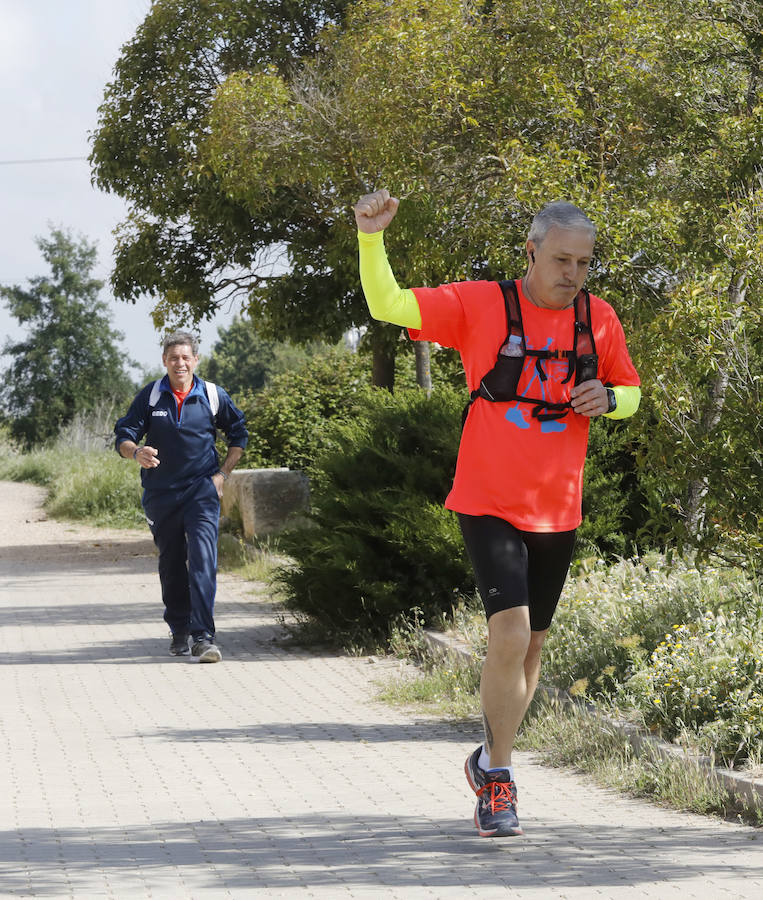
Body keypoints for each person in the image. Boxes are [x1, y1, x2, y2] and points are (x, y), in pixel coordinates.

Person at [354, 190, 641, 837]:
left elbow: (631, 391)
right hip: (487, 500)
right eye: (561, 260)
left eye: (584, 263)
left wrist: (609, 400)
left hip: (556, 508)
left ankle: (486, 760)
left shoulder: (599, 319)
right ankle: (501, 783)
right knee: (508, 636)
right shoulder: (481, 305)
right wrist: (371, 239)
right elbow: (388, 305)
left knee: (532, 644)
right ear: (531, 251)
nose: (572, 274)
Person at [114, 331, 248, 663]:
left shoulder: (213, 396)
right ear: (165, 361)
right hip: (161, 494)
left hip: (202, 490)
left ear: (195, 360)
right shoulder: (151, 396)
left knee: (203, 559)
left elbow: (239, 433)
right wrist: (136, 452)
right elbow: (123, 436)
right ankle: (179, 629)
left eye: (186, 357)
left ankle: (203, 637)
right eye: (174, 357)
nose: (180, 363)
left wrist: (222, 475)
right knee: (172, 563)